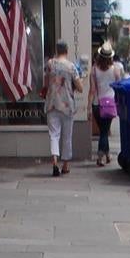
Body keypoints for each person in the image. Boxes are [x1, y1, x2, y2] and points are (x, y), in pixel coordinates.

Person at [43, 39, 82, 176]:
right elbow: (80, 88)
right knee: (67, 136)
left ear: (56, 50)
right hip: (67, 106)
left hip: (52, 104)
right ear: (67, 50)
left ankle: (54, 161)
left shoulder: (50, 64)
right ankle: (65, 165)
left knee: (54, 135)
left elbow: (46, 83)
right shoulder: (71, 67)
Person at [88, 42, 124, 167]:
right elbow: (120, 88)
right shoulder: (116, 70)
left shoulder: (94, 70)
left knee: (103, 130)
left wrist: (88, 108)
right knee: (104, 131)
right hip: (109, 104)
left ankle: (107, 155)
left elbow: (92, 90)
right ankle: (100, 157)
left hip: (97, 104)